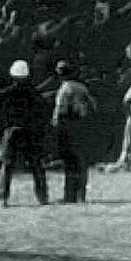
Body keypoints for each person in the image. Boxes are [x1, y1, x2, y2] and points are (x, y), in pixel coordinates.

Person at [0, 60, 49, 207]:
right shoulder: (35, 93)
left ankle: (3, 198)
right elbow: (42, 113)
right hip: (31, 131)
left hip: (11, 130)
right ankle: (42, 197)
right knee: (36, 165)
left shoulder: (5, 94)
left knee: (7, 166)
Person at [51, 60, 97, 203]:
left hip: (68, 126)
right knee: (81, 161)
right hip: (82, 126)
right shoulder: (82, 88)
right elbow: (93, 106)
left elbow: (61, 110)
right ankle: (81, 195)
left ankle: (69, 195)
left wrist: (55, 126)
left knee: (69, 162)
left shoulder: (64, 89)